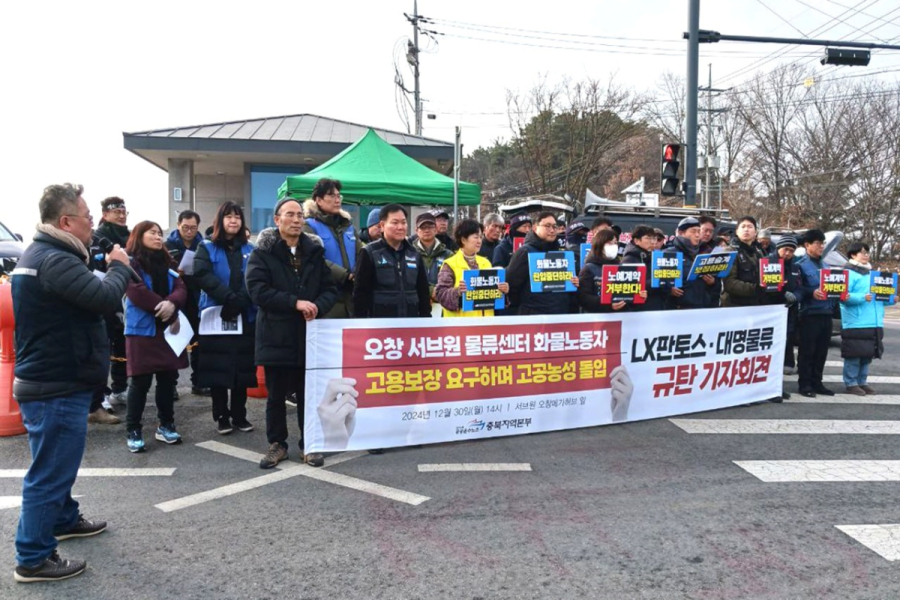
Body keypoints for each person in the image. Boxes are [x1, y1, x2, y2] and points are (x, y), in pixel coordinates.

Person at [10, 184, 132, 583]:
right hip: (56, 383)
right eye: (87, 216)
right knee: (50, 472)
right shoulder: (54, 260)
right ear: (65, 221)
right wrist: (118, 265)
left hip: (55, 378)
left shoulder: (46, 254)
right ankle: (33, 558)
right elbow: (104, 298)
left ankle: (63, 518)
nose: (92, 222)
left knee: (56, 464)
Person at [246, 198, 338, 468]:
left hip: (308, 337)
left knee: (308, 394)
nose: (296, 220)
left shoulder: (314, 251)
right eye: (290, 215)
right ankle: (277, 444)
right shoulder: (263, 252)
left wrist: (317, 307)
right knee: (275, 396)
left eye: (300, 215)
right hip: (275, 335)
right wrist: (294, 303)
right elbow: (256, 289)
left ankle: (308, 444)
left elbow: (330, 289)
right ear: (277, 220)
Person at [123, 221, 189, 453]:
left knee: (167, 379)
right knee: (140, 382)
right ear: (139, 236)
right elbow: (136, 291)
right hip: (142, 330)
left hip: (167, 330)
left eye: (159, 233)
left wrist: (172, 303)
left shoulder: (168, 262)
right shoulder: (130, 263)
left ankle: (166, 425)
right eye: (152, 232)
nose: (157, 236)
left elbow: (181, 287)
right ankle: (133, 429)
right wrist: (164, 306)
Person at [193, 202, 257, 435]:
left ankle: (239, 415)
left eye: (237, 217)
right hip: (216, 316)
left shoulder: (251, 249)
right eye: (228, 216)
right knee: (218, 368)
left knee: (242, 367)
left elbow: (256, 277)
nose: (233, 221)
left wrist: (241, 300)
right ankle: (221, 416)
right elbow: (202, 275)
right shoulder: (206, 247)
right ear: (219, 220)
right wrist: (229, 298)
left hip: (245, 314)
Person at [353, 204, 432, 319]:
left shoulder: (414, 254)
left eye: (404, 222)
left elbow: (423, 292)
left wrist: (426, 320)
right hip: (379, 326)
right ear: (382, 225)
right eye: (395, 223)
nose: (400, 227)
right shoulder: (370, 252)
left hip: (410, 324)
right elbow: (360, 294)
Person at [840, 242, 894, 396]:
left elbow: (879, 298)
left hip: (874, 320)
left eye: (867, 252)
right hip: (855, 321)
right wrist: (863, 297)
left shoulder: (873, 275)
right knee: (854, 354)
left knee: (867, 354)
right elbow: (843, 296)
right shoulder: (848, 273)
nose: (866, 255)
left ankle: (862, 381)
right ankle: (851, 382)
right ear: (853, 255)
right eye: (862, 252)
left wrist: (891, 299)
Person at [301, 178, 361, 318]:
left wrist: (358, 273)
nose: (337, 200)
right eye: (332, 196)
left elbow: (361, 253)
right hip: (325, 296)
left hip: (351, 296)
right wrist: (345, 275)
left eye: (339, 196)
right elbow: (314, 257)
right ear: (318, 200)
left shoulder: (348, 226)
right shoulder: (308, 225)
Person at [165, 209, 207, 396]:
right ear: (178, 225)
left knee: (199, 342)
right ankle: (171, 384)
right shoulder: (167, 245)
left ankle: (199, 382)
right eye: (185, 227)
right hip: (175, 297)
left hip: (197, 297)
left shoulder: (203, 245)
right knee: (174, 341)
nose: (189, 231)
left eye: (193, 228)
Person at [95, 197, 130, 411]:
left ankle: (119, 388)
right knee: (103, 347)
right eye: (116, 211)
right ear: (105, 214)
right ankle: (101, 394)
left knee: (123, 344)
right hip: (104, 296)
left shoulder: (132, 234)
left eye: (124, 211)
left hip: (128, 298)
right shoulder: (98, 237)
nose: (121, 215)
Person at [506, 212, 580, 315]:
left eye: (555, 226)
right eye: (547, 226)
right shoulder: (525, 252)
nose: (552, 230)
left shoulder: (562, 253)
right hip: (533, 315)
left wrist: (575, 282)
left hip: (560, 315)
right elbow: (512, 284)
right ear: (535, 228)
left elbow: (569, 288)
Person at [434, 219, 510, 317]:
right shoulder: (450, 264)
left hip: (485, 325)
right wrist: (458, 292)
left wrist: (504, 291)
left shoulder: (485, 263)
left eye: (480, 237)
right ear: (463, 240)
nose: (479, 241)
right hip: (460, 326)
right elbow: (440, 294)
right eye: (475, 237)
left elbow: (494, 297)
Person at [795, 229, 836, 398]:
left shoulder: (826, 266)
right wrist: (811, 292)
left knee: (821, 351)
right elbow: (797, 289)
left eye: (823, 243)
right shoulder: (800, 266)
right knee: (807, 351)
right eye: (818, 243)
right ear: (807, 245)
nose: (821, 246)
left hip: (827, 313)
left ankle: (817, 382)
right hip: (810, 314)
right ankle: (805, 384)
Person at [578, 229, 643, 313]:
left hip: (621, 318)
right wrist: (607, 304)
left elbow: (628, 294)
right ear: (600, 244)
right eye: (609, 243)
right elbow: (583, 297)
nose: (613, 246)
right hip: (597, 320)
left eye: (615, 243)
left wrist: (639, 296)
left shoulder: (621, 268)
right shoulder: (589, 269)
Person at [667, 217, 717, 310]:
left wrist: (712, 282)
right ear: (681, 233)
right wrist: (669, 289)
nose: (697, 235)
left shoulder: (703, 253)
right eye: (693, 231)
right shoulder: (669, 254)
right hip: (678, 309)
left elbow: (715, 285)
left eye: (699, 231)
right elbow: (657, 282)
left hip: (702, 307)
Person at [769, 234, 802, 375]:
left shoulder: (795, 267)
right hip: (771, 309)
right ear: (778, 248)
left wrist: (796, 296)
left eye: (791, 251)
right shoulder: (767, 262)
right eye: (785, 249)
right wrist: (782, 293)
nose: (788, 253)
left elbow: (802, 287)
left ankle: (787, 363)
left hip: (790, 309)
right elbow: (765, 286)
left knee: (788, 336)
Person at [720, 216, 766, 308]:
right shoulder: (729, 251)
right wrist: (756, 288)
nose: (746, 229)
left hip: (755, 304)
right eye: (743, 226)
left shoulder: (759, 253)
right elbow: (729, 283)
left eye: (750, 227)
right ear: (737, 231)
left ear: (755, 232)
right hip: (733, 305)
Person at [621, 225, 668, 311]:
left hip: (658, 306)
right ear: (637, 241)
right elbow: (627, 287)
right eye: (648, 238)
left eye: (654, 238)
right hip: (639, 310)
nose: (652, 242)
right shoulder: (629, 260)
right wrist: (657, 280)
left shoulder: (654, 257)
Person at [412, 212, 454, 298]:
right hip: (415, 303)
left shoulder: (448, 255)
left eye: (430, 227)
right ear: (416, 231)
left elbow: (453, 281)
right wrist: (430, 291)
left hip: (441, 304)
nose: (427, 230)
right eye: (423, 227)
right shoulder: (409, 253)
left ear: (435, 229)